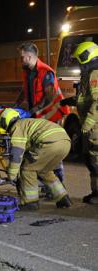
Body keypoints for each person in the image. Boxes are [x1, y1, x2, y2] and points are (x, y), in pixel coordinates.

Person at [0, 108, 72, 210]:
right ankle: (63, 198)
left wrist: (11, 174)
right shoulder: (28, 122)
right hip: (65, 143)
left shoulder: (17, 127)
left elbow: (16, 154)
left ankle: (31, 202)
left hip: (49, 143)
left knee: (27, 169)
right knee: (44, 171)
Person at [16, 42, 69, 123]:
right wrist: (16, 105)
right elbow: (25, 89)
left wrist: (31, 111)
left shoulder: (45, 72)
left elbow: (49, 97)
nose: (20, 60)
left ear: (29, 57)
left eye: (22, 57)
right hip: (39, 115)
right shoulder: (28, 71)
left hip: (52, 116)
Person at [72, 41, 98, 204]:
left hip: (95, 127)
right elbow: (86, 99)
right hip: (91, 127)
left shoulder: (95, 73)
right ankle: (95, 192)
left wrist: (86, 126)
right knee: (91, 160)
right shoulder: (88, 74)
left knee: (95, 160)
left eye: (79, 59)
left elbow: (97, 102)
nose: (78, 63)